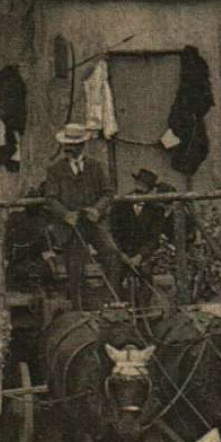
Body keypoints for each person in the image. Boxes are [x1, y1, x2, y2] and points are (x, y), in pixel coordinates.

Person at [40, 123, 124, 309]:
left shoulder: (96, 166)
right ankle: (77, 307)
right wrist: (65, 214)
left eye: (73, 145)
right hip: (71, 225)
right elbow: (50, 199)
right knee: (75, 263)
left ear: (82, 146)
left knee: (112, 254)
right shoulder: (55, 169)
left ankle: (110, 300)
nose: (68, 149)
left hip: (94, 222)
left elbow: (108, 192)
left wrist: (97, 209)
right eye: (66, 145)